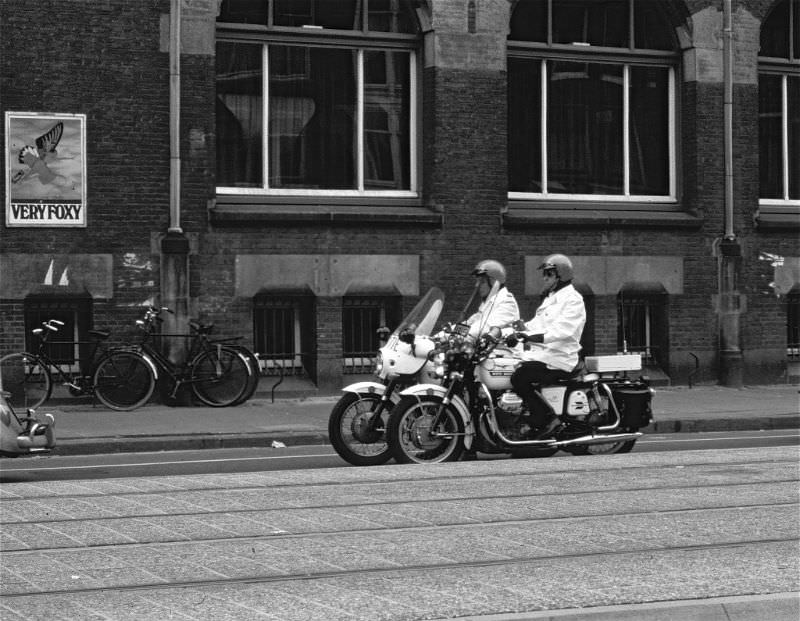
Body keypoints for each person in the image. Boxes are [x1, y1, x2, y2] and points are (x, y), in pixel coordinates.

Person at [510, 254, 586, 439]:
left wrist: (535, 337)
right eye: (544, 274)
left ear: (560, 276)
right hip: (545, 355)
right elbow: (536, 324)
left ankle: (547, 418)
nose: (544, 278)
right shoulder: (551, 299)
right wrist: (514, 331)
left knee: (520, 377)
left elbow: (564, 330)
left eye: (549, 274)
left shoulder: (573, 299)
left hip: (560, 358)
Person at [464, 259, 520, 339]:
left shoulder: (507, 302)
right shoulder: (487, 303)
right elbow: (471, 322)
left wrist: (460, 335)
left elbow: (485, 327)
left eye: (482, 282)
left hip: (502, 349)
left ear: (493, 282)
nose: (477, 285)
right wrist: (446, 333)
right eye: (477, 282)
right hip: (480, 348)